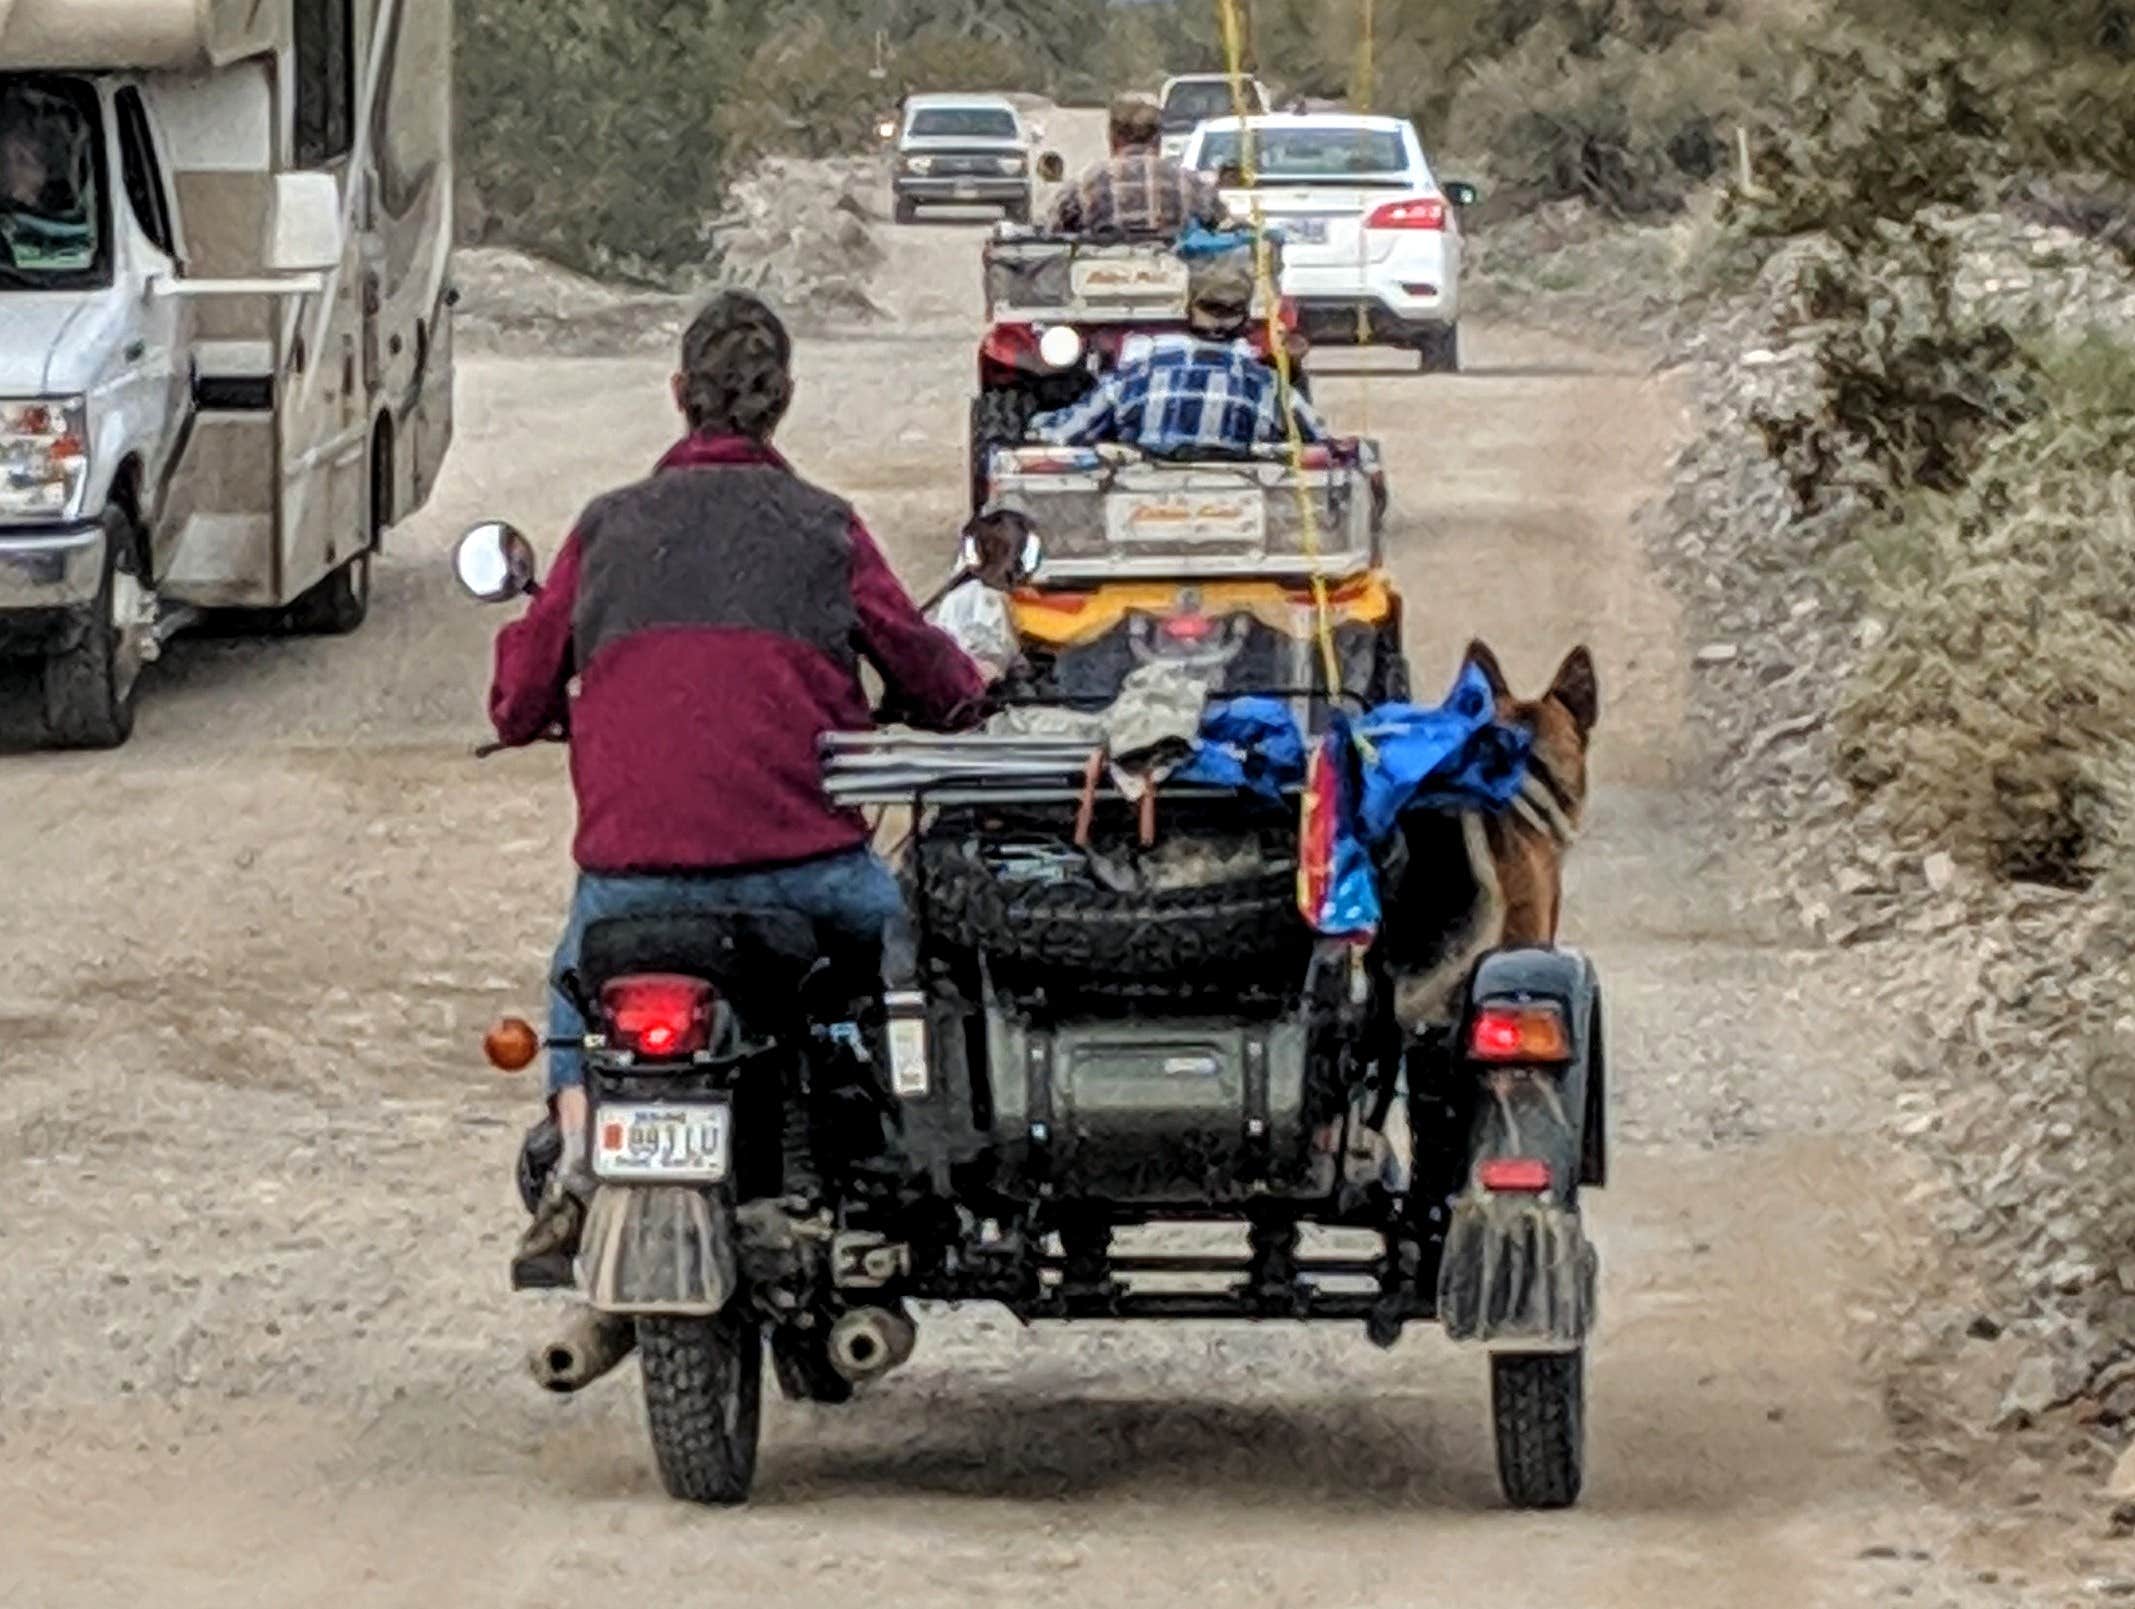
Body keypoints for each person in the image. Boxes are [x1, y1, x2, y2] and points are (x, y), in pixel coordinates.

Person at [489, 290, 991, 1288]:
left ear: (678, 394)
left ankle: (580, 1156)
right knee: (917, 969)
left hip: (636, 885)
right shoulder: (823, 528)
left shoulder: (605, 528)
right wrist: (957, 698)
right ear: (784, 401)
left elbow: (515, 699)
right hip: (812, 876)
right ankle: (916, 1149)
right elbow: (929, 671)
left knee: (571, 1000)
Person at [1027, 255, 1330, 457]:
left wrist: (1034, 423)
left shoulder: (1135, 377)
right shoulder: (1270, 387)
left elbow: (1060, 433)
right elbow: (1320, 443)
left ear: (1188, 311)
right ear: (1244, 320)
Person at [1050, 93, 1228, 238]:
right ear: (1158, 139)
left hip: (1102, 277)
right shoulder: (1191, 184)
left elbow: (1054, 234)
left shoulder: (1083, 186)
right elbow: (1220, 223)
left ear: (1113, 138)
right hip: (1174, 275)